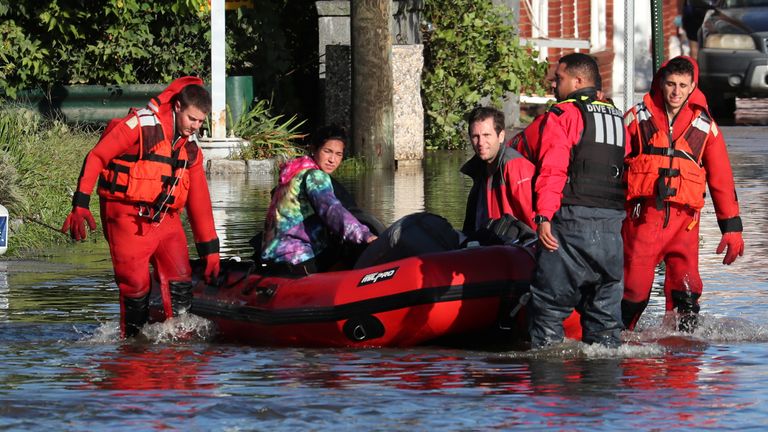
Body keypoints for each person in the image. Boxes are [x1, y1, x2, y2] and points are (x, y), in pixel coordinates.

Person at [61, 77, 221, 338]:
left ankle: (180, 347)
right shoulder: (139, 125)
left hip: (165, 219)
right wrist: (80, 203)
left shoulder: (190, 146)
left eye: (201, 121)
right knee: (135, 285)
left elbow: (199, 200)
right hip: (126, 217)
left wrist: (210, 251)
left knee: (181, 279)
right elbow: (97, 156)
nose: (196, 127)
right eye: (193, 119)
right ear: (178, 106)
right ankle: (133, 346)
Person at [621, 56, 744, 332]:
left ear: (692, 87)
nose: (676, 92)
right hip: (643, 220)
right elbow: (613, 167)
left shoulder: (705, 126)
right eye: (671, 84)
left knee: (686, 293)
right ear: (661, 84)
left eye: (682, 85)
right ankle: (619, 350)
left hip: (685, 225)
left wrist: (732, 228)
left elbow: (722, 179)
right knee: (633, 291)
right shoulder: (635, 118)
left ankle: (683, 365)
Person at [527, 53, 629, 349]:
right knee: (606, 321)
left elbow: (553, 169)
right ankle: (605, 385)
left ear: (578, 81)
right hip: (612, 231)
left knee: (547, 308)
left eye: (558, 79)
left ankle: (547, 385)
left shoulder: (563, 116)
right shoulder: (617, 119)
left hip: (572, 225)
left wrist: (544, 216)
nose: (553, 84)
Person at [260, 125, 377, 275]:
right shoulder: (315, 176)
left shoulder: (293, 173)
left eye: (338, 154)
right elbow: (332, 210)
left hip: (273, 255)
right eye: (327, 151)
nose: (332, 160)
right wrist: (365, 235)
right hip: (298, 258)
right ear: (314, 149)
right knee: (355, 249)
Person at [460, 106, 536, 236]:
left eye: (486, 135)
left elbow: (532, 220)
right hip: (486, 243)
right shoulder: (480, 169)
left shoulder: (514, 165)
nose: (480, 142)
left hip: (513, 247)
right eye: (475, 136)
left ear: (501, 136)